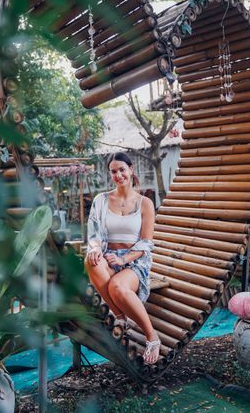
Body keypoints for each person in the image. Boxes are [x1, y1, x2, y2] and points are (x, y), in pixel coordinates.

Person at [84, 152, 160, 365]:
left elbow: (146, 243)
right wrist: (94, 248)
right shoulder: (102, 200)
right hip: (109, 257)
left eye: (122, 170)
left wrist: (124, 259)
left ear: (131, 170)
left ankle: (152, 337)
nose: (118, 175)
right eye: (114, 171)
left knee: (118, 286)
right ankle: (120, 317)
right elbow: (93, 233)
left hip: (135, 262)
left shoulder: (145, 203)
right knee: (90, 261)